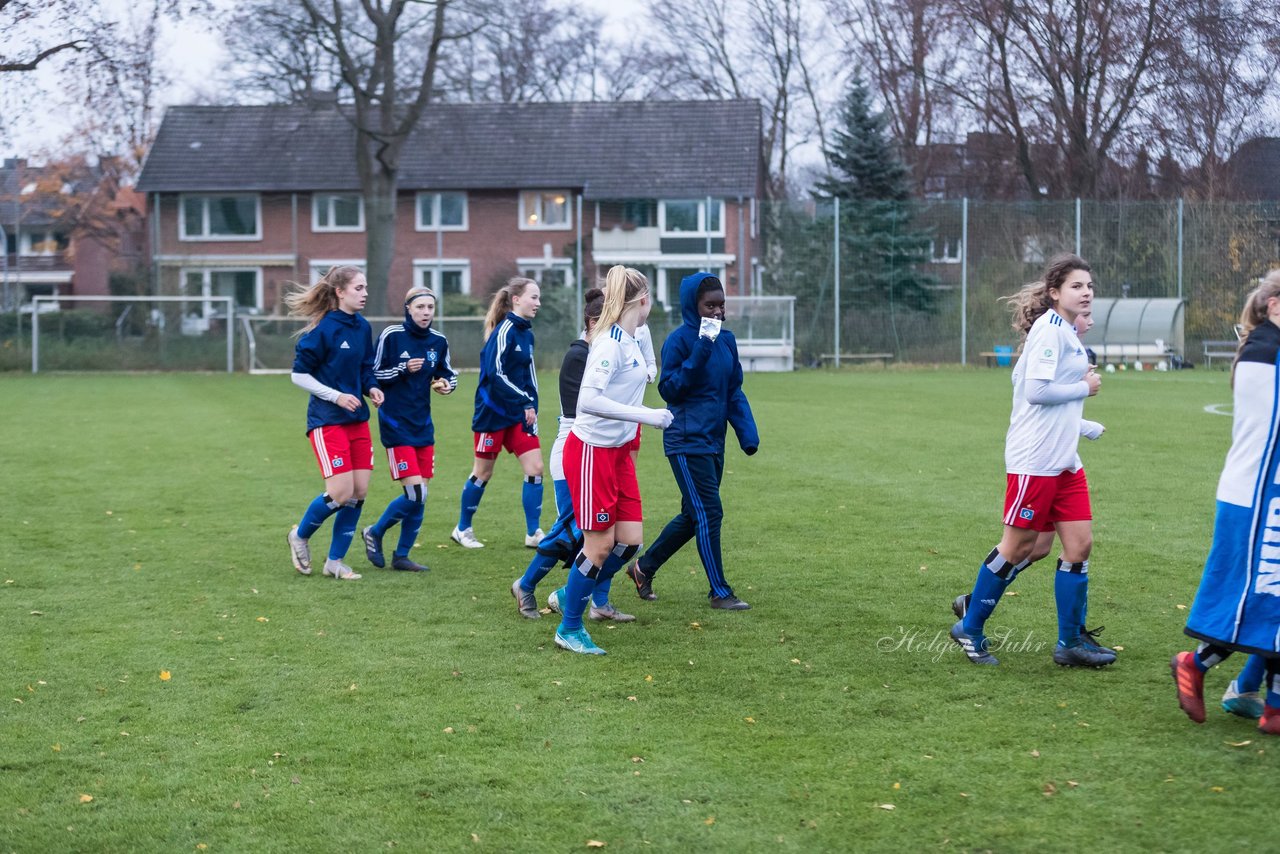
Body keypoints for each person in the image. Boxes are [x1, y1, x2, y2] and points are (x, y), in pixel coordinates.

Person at [949, 253, 1116, 667]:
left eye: (1090, 286)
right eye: (1077, 286)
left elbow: (1045, 398)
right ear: (1055, 292)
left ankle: (1070, 643)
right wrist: (1084, 388)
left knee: (1076, 546)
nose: (1087, 292)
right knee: (1018, 546)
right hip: (1035, 462)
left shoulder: (1065, 333)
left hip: (1064, 462)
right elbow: (1035, 394)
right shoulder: (1050, 332)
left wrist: (1082, 423)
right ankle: (970, 627)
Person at [1171, 271, 1280, 735]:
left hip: (1266, 492)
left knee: (1272, 598)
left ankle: (1265, 702)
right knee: (1255, 596)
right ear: (1275, 305)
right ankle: (1195, 664)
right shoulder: (1266, 352)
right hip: (1257, 496)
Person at [550, 265, 673, 655]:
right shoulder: (609, 342)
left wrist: (651, 371)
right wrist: (648, 415)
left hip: (617, 453)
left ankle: (572, 591)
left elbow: (644, 364)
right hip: (591, 453)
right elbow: (588, 400)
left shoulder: (636, 335)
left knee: (630, 543)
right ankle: (569, 628)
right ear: (644, 300)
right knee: (599, 546)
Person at [625, 272, 760, 610]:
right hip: (685, 441)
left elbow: (733, 390)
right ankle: (720, 591)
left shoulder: (727, 341)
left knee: (694, 513)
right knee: (709, 512)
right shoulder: (679, 341)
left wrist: (747, 434)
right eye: (708, 306)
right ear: (693, 306)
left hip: (714, 441)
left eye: (720, 305)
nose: (716, 312)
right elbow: (669, 389)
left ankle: (643, 567)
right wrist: (700, 348)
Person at [511, 287, 632, 622]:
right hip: (573, 453)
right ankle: (526, 584)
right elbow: (593, 407)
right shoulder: (581, 355)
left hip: (597, 452)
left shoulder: (601, 352)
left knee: (605, 535)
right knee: (573, 532)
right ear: (594, 321)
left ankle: (598, 602)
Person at [285, 265, 384, 581]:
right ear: (340, 292)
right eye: (358, 288)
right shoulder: (323, 330)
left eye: (365, 287)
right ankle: (299, 535)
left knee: (359, 492)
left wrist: (371, 387)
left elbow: (365, 368)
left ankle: (335, 562)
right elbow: (298, 375)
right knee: (340, 492)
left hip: (357, 421)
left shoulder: (362, 327)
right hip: (327, 421)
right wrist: (336, 396)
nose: (365, 293)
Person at [360, 286, 458, 573]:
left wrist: (446, 385)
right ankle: (375, 532)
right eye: (420, 307)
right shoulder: (392, 336)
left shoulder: (438, 341)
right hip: (395, 423)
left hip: (422, 425)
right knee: (416, 493)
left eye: (430, 307)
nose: (426, 312)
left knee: (421, 494)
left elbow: (449, 373)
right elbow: (372, 374)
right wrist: (402, 368)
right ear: (408, 309)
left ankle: (401, 555)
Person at [451, 278, 544, 549]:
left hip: (518, 414)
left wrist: (531, 406)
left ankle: (533, 532)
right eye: (534, 297)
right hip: (491, 414)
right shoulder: (504, 332)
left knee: (535, 468)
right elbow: (495, 375)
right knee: (483, 472)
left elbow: (530, 376)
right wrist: (524, 400)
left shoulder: (527, 333)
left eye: (538, 298)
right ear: (516, 299)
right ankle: (463, 528)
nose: (538, 303)